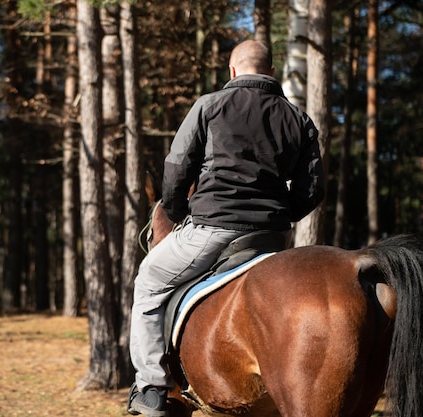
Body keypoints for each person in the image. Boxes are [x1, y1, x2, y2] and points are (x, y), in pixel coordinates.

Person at [126, 39, 326, 417]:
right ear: (270, 72)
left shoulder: (209, 105)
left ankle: (151, 389)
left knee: (148, 281)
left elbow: (176, 170)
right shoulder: (298, 119)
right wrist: (279, 215)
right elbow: (312, 190)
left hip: (211, 229)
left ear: (232, 71)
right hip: (269, 237)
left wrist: (178, 211)